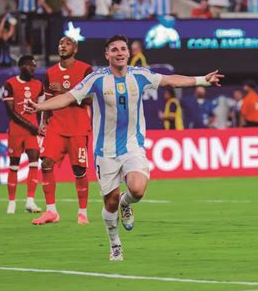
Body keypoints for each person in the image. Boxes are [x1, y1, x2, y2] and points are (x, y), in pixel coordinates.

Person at [24, 35, 223, 260]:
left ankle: (125, 203)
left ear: (128, 53)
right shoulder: (96, 79)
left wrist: (202, 80)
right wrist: (39, 106)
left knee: (137, 189)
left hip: (132, 146)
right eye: (114, 50)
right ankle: (115, 243)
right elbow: (67, 98)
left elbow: (170, 80)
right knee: (109, 203)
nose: (119, 53)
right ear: (107, 55)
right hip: (105, 151)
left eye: (123, 49)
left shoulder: (140, 75)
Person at [31, 36, 93, 226]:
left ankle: (82, 213)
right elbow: (48, 101)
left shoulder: (85, 70)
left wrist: (66, 92)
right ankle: (51, 211)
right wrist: (43, 121)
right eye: (60, 43)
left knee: (79, 170)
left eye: (67, 43)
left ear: (75, 49)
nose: (62, 46)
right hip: (56, 126)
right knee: (46, 163)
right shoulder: (50, 73)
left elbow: (90, 99)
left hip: (78, 127)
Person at [2, 55, 43, 214]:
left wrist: (39, 125)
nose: (33, 68)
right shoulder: (10, 84)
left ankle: (30, 201)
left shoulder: (38, 85)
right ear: (21, 66)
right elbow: (10, 112)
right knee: (14, 164)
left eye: (34, 65)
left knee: (34, 161)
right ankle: (11, 203)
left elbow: (41, 108)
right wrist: (29, 125)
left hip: (32, 130)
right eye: (29, 65)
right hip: (17, 131)